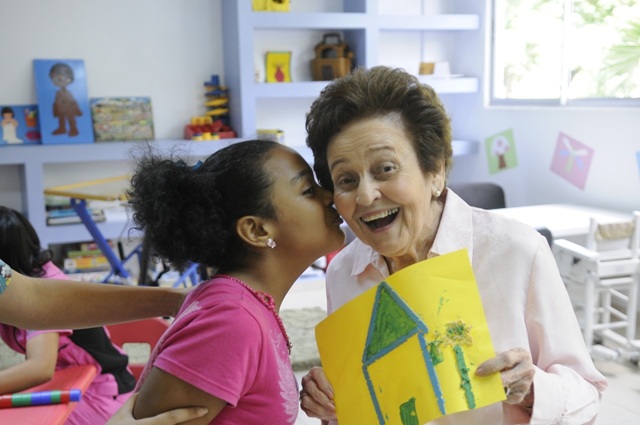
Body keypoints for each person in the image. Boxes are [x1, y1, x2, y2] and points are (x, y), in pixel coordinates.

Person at [299, 66, 607, 424]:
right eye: (346, 180)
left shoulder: (518, 251)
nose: (366, 195)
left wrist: (534, 390)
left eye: (385, 168)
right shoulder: (342, 273)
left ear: (436, 172)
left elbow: (587, 396)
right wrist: (329, 403)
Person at [126, 139, 345, 424]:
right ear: (256, 230)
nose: (329, 196)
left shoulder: (243, 307)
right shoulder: (231, 322)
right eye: (308, 191)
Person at [0, 206, 138, 423]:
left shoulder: (43, 292)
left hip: (100, 392)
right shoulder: (15, 281)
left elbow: (40, 368)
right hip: (70, 379)